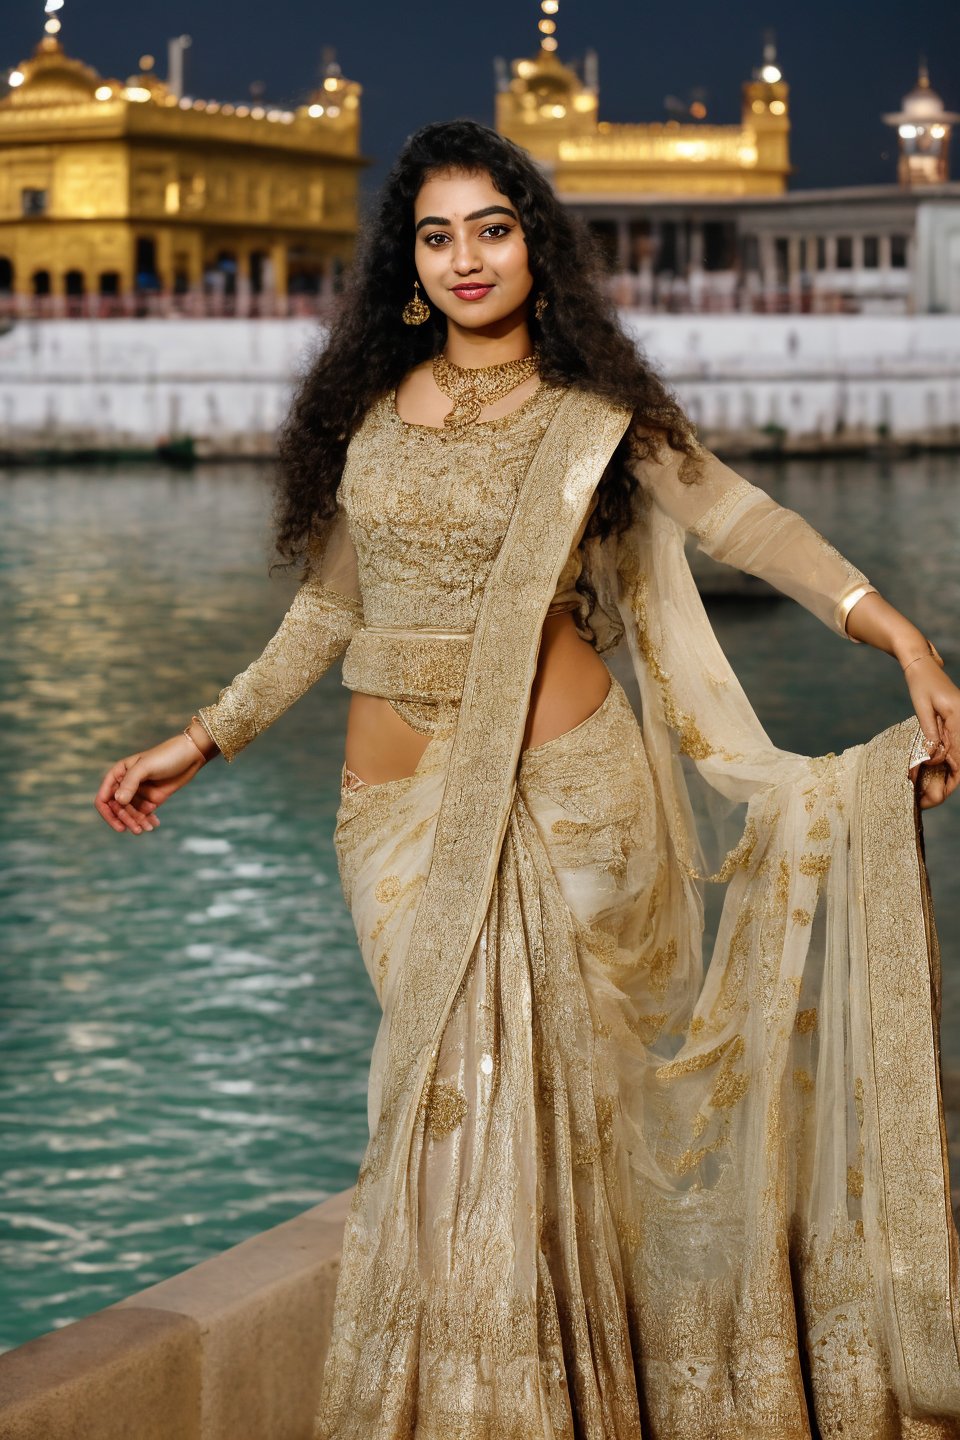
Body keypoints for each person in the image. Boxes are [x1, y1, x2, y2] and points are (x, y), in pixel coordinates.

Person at [95, 120, 960, 1437]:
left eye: (490, 228)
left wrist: (898, 631)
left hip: (571, 805)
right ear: (409, 263)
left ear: (534, 249)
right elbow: (330, 611)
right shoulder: (376, 418)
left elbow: (742, 519)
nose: (465, 258)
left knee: (550, 1114)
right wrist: (203, 735)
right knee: (445, 1107)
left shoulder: (590, 419)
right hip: (391, 821)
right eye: (437, 236)